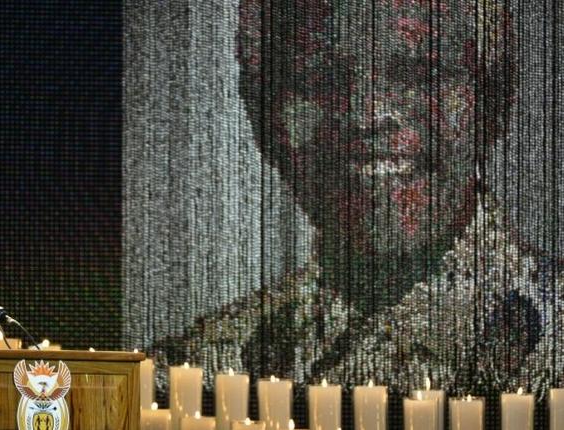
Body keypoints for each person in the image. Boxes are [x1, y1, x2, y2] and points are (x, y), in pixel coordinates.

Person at [149, 0, 563, 399]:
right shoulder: (194, 371)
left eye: (421, 74)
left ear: (493, 104)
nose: (367, 116)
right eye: (318, 80)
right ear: (263, 121)